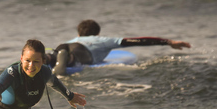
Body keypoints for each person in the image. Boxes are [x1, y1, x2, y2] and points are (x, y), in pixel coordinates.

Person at [49, 19, 192, 75]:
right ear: (97, 33)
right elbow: (137, 41)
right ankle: (66, 59)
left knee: (54, 55)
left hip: (66, 45)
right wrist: (168, 42)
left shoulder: (73, 39)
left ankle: (49, 58)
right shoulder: (103, 40)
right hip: (82, 52)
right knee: (74, 58)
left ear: (79, 33)